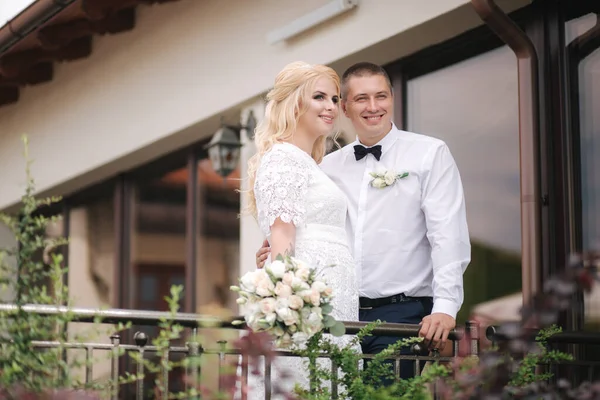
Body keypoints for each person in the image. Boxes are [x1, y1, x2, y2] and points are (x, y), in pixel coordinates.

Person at [256, 62, 471, 381]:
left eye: (381, 96)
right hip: (336, 313)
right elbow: (300, 226)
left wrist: (445, 306)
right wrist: (276, 257)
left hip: (403, 313)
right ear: (344, 107)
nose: (373, 107)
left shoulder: (429, 154)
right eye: (361, 99)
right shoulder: (326, 167)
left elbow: (447, 236)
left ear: (392, 99)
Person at [245, 61, 359, 398]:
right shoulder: (283, 158)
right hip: (306, 306)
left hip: (332, 301)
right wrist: (285, 308)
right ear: (294, 102)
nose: (330, 107)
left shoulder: (309, 163)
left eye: (335, 99)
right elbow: (282, 237)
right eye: (319, 97)